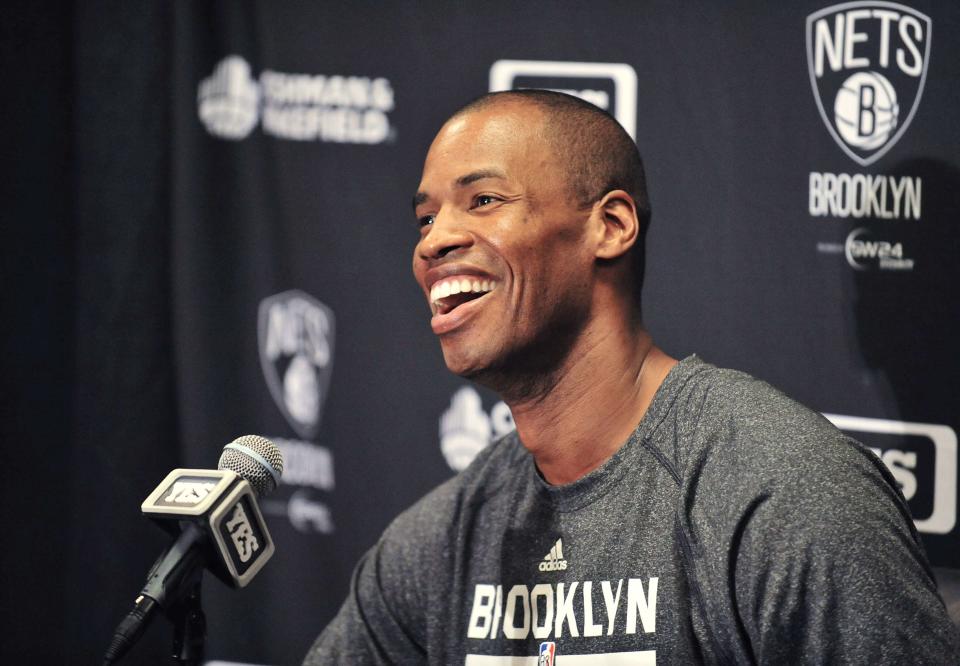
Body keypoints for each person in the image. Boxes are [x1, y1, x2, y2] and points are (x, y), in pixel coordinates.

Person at [304, 90, 960, 664]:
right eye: (425, 218)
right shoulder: (436, 547)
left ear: (611, 226)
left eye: (483, 200)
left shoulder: (782, 492)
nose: (433, 241)